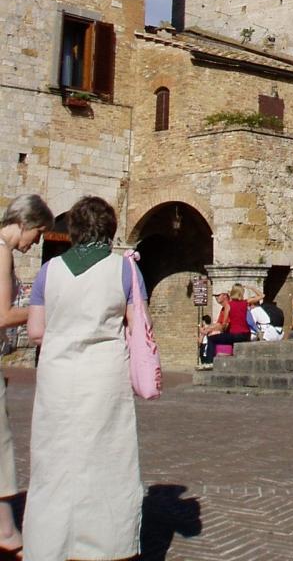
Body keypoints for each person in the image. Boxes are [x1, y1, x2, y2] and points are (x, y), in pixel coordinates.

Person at [23, 196, 145, 561]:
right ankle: (104, 545)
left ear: (73, 229)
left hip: (58, 374)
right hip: (104, 375)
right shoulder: (124, 269)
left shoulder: (49, 270)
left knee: (53, 460)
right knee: (106, 457)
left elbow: (36, 331)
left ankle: (49, 545)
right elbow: (139, 324)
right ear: (110, 229)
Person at [0, 193, 52, 555]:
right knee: (1, 445)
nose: (37, 242)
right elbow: (2, 315)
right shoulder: (2, 251)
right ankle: (5, 530)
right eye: (39, 233)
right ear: (25, 223)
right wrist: (46, 309)